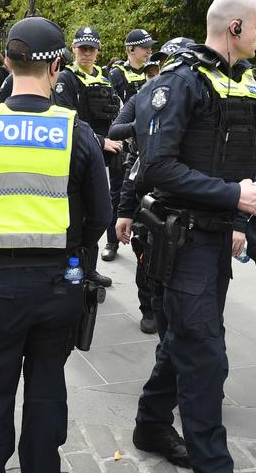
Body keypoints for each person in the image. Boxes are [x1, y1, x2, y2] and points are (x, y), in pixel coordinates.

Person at [0, 15, 111, 472]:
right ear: (56, 65)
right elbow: (100, 215)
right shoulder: (77, 131)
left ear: (10, 63)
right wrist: (75, 256)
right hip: (59, 287)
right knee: (47, 389)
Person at [131, 0, 256, 472]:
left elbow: (241, 163)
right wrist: (234, 197)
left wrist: (253, 208)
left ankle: (151, 424)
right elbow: (158, 168)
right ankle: (213, 462)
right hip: (182, 238)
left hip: (214, 239)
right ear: (234, 28)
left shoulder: (242, 84)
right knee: (206, 355)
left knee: (186, 340)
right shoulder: (178, 83)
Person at [110, 37, 193, 336]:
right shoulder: (144, 96)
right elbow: (116, 129)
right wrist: (145, 124)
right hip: (145, 186)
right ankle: (149, 308)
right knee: (146, 253)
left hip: (187, 194)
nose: (162, 70)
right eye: (158, 64)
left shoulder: (197, 99)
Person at [54, 26, 122, 277]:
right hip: (74, 156)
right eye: (82, 48)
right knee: (76, 216)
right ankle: (73, 270)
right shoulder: (66, 79)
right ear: (73, 49)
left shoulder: (103, 79)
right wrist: (100, 140)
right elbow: (67, 119)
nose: (87, 53)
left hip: (99, 157)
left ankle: (89, 269)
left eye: (91, 49)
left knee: (97, 213)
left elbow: (113, 113)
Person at [108, 28, 157, 100]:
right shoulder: (116, 74)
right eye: (145, 47)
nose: (149, 51)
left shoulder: (155, 70)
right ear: (131, 50)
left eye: (150, 47)